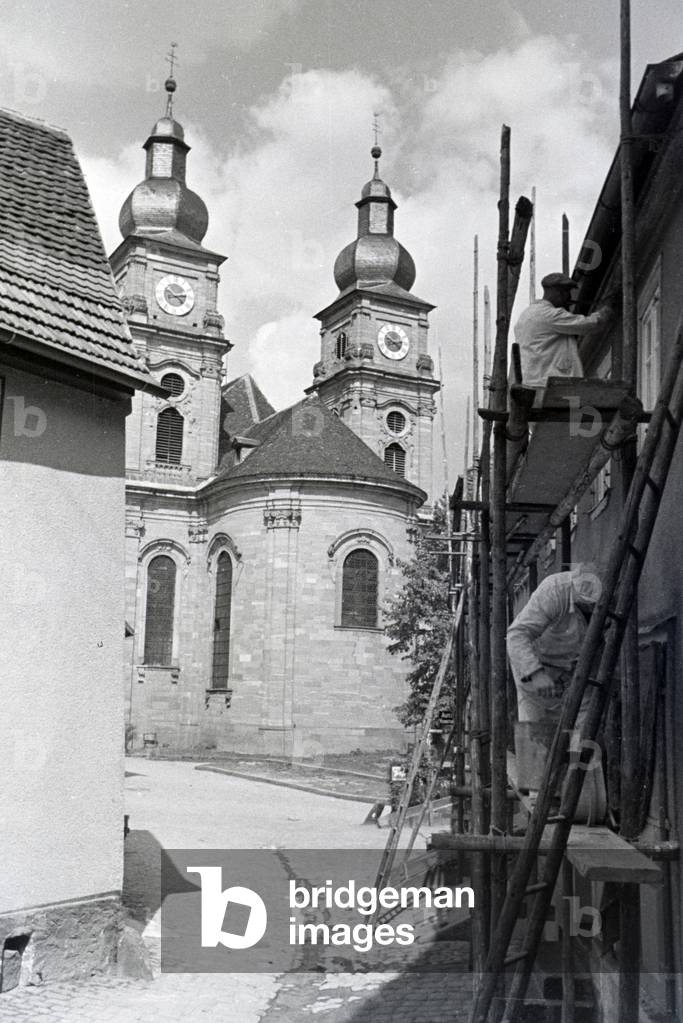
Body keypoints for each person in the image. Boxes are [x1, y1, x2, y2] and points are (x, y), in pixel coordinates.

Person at [507, 565, 606, 821]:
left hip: (576, 666)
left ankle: (574, 793)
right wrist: (535, 673)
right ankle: (542, 798)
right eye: (586, 608)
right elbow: (517, 635)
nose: (590, 613)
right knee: (537, 724)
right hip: (537, 661)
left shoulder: (606, 596)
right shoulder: (555, 591)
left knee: (583, 722)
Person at [514, 272, 616, 391]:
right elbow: (589, 324)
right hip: (547, 383)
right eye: (566, 292)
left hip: (534, 382)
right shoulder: (549, 314)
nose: (568, 297)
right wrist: (606, 310)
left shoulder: (528, 314)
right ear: (556, 292)